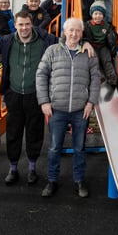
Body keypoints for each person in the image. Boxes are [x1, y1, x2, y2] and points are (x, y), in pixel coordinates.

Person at [0, 10, 58, 186]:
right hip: (14, 94)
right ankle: (13, 168)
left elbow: (68, 42)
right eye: (20, 24)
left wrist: (86, 44)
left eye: (27, 24)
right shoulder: (8, 41)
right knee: (13, 133)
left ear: (32, 23)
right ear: (16, 25)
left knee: (35, 132)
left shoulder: (45, 40)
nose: (24, 28)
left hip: (36, 95)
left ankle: (32, 168)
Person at [36, 17, 101, 198]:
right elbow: (41, 75)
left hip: (81, 109)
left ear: (82, 33)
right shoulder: (53, 50)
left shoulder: (88, 53)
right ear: (64, 32)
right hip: (57, 108)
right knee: (55, 147)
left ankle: (79, 180)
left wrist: (91, 102)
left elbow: (96, 79)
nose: (73, 34)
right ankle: (52, 180)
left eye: (77, 31)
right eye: (70, 30)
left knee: (79, 148)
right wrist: (44, 101)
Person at [84, 0, 118, 86]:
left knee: (107, 60)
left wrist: (116, 35)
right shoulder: (87, 25)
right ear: (92, 14)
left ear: (103, 15)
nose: (98, 16)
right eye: (95, 14)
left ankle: (112, 78)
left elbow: (111, 37)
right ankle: (100, 77)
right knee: (95, 60)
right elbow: (83, 36)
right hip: (92, 46)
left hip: (103, 46)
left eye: (100, 14)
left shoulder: (106, 26)